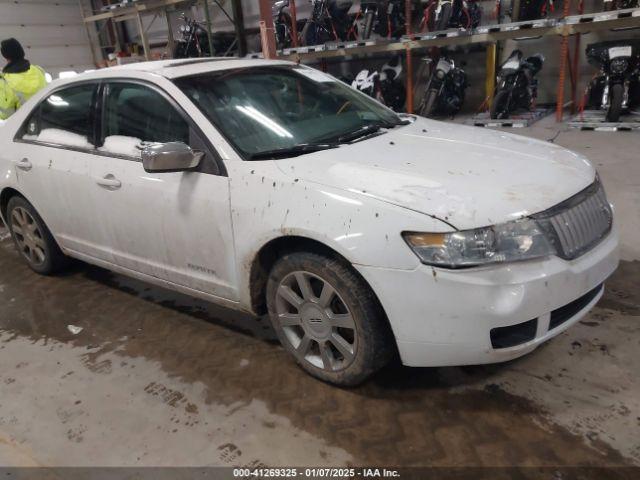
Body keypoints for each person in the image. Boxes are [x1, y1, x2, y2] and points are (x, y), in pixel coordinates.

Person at [1, 38, 47, 111]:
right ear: (21, 52)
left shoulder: (6, 81)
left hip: (25, 121)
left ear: (5, 56)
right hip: (48, 115)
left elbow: (5, 114)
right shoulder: (38, 70)